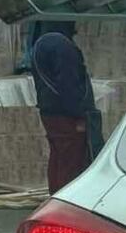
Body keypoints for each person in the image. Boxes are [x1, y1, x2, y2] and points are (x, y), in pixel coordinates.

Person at [29, 21, 104, 194]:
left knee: (59, 158)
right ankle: (65, 202)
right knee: (71, 161)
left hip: (51, 112)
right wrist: (78, 115)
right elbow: (68, 85)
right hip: (66, 116)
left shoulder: (41, 43)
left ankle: (55, 198)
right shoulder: (61, 46)